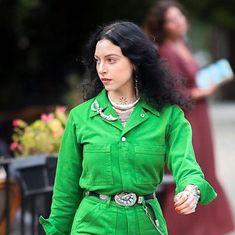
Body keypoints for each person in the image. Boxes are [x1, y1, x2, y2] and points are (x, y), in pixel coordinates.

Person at [39, 20, 217, 235]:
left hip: (146, 224)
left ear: (134, 61)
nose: (102, 69)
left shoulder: (168, 116)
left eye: (111, 60)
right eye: (98, 61)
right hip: (92, 226)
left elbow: (186, 164)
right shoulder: (80, 118)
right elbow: (65, 193)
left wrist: (191, 189)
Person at [143, 1, 234, 235]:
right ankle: (180, 228)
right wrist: (201, 92)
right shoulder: (165, 51)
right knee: (187, 167)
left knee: (205, 166)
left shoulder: (184, 45)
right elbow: (168, 91)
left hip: (199, 114)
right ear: (163, 26)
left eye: (180, 16)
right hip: (186, 116)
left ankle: (205, 227)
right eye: (172, 20)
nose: (179, 22)